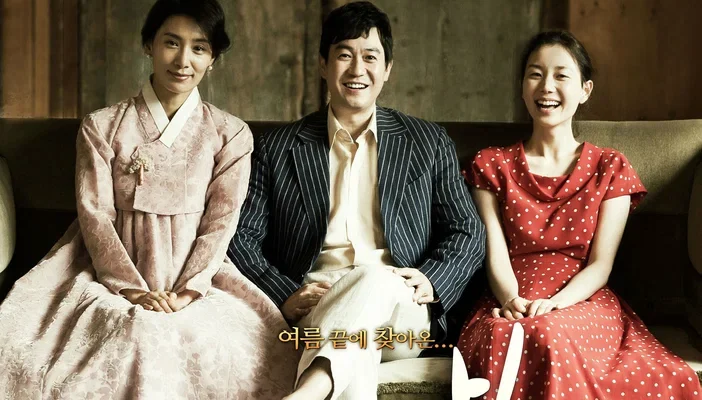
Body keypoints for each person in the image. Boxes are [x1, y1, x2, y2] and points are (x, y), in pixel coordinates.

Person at [0, 0, 296, 398]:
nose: (183, 60)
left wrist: (187, 291)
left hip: (198, 277)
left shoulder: (231, 134)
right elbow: (95, 214)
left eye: (199, 48)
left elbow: (221, 221)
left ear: (213, 59)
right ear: (148, 45)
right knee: (124, 334)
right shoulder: (102, 126)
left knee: (220, 344)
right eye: (171, 43)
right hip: (110, 274)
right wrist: (132, 290)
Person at [228, 2, 485, 399]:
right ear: (323, 64)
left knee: (375, 277)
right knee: (357, 350)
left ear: (388, 69)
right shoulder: (278, 148)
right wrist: (283, 294)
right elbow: (241, 238)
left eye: (370, 57)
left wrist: (433, 279)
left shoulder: (427, 142)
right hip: (317, 306)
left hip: (402, 311)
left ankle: (308, 392)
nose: (357, 69)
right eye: (344, 55)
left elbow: (468, 230)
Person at [457, 30, 702, 399]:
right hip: (508, 300)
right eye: (535, 74)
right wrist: (510, 300)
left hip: (581, 300)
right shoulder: (491, 165)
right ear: (522, 87)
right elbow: (495, 254)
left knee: (548, 333)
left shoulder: (610, 168)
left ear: (585, 90)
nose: (546, 86)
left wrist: (556, 304)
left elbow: (601, 265)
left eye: (561, 75)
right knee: (508, 336)